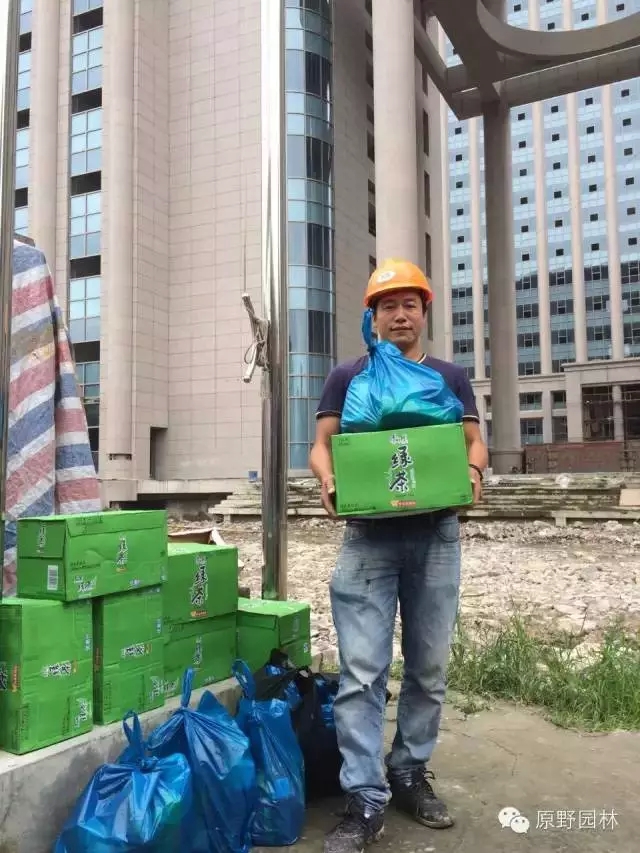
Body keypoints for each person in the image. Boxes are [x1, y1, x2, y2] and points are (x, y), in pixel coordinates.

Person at [309, 258, 488, 853]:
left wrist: (473, 474)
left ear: (424, 312)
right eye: (389, 305)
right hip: (368, 538)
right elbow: (322, 446)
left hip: (436, 536)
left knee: (428, 669)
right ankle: (365, 797)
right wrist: (329, 480)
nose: (401, 314)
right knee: (361, 673)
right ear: (373, 316)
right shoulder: (348, 376)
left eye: (411, 304)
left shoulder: (448, 376)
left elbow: (473, 444)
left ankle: (409, 771)